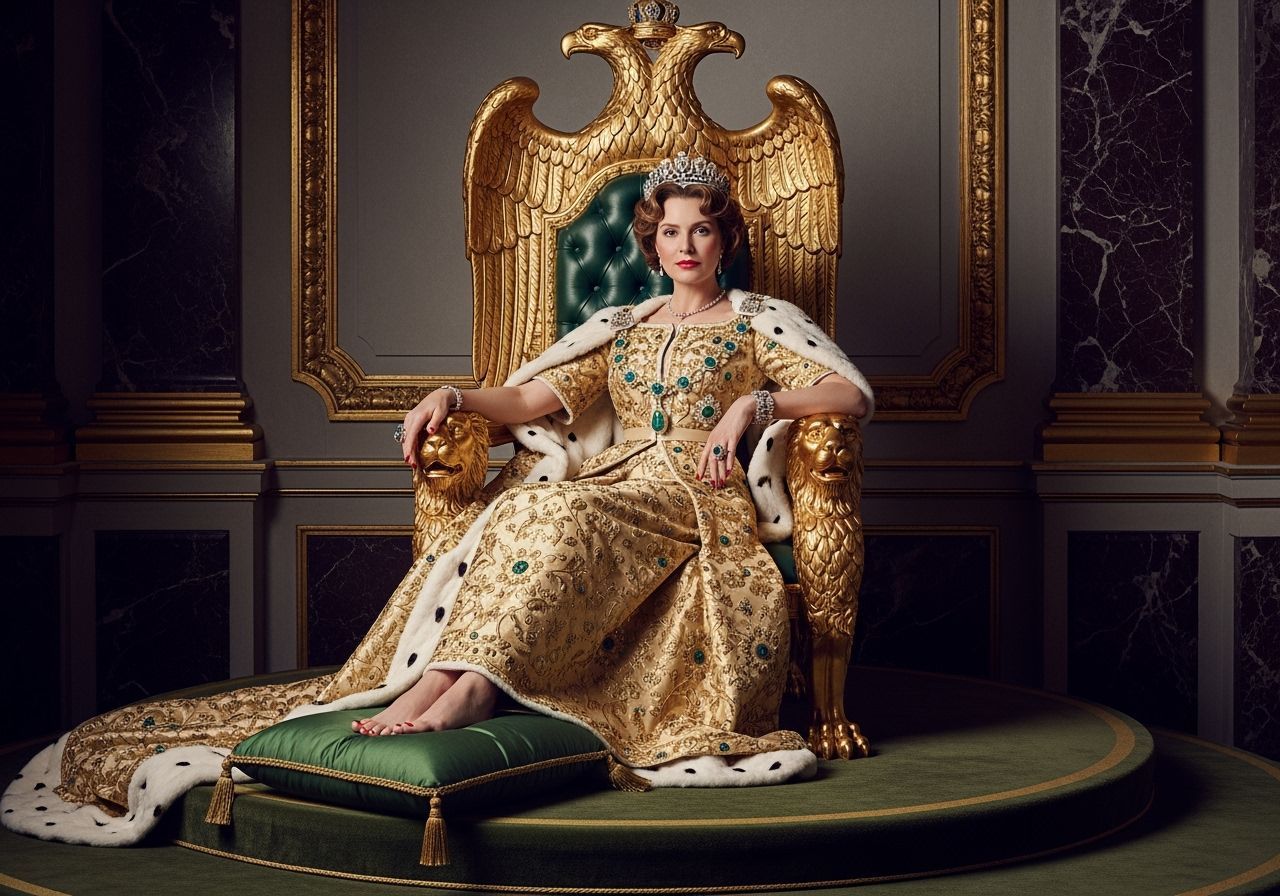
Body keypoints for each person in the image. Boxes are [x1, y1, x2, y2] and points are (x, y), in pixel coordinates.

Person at [0, 153, 872, 846]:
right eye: (671, 232)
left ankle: (469, 698)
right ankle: (450, 680)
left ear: (725, 240)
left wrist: (757, 405)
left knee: (556, 509)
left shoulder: (760, 320)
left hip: (700, 497)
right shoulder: (622, 328)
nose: (686, 246)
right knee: (532, 504)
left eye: (703, 231)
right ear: (652, 244)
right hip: (618, 481)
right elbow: (529, 403)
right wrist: (455, 399)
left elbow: (847, 396)